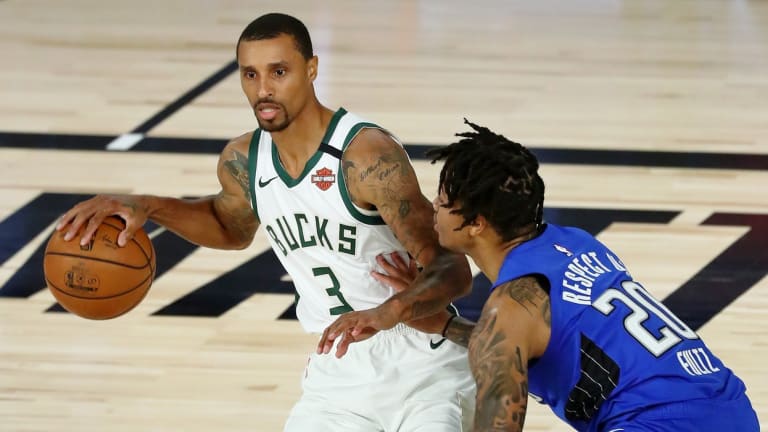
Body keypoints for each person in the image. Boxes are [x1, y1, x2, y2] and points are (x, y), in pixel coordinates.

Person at [55, 13, 476, 432]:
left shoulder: (365, 155)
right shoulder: (244, 160)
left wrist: (389, 312)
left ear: (311, 69)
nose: (263, 90)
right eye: (250, 74)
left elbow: (451, 269)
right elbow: (229, 227)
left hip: (423, 361)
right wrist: (148, 206)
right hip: (339, 367)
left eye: (278, 72)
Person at [321, 120, 760, 431]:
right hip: (730, 408)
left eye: (444, 200)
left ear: (476, 224)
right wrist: (446, 325)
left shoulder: (510, 306)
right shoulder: (576, 243)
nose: (433, 206)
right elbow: (539, 340)